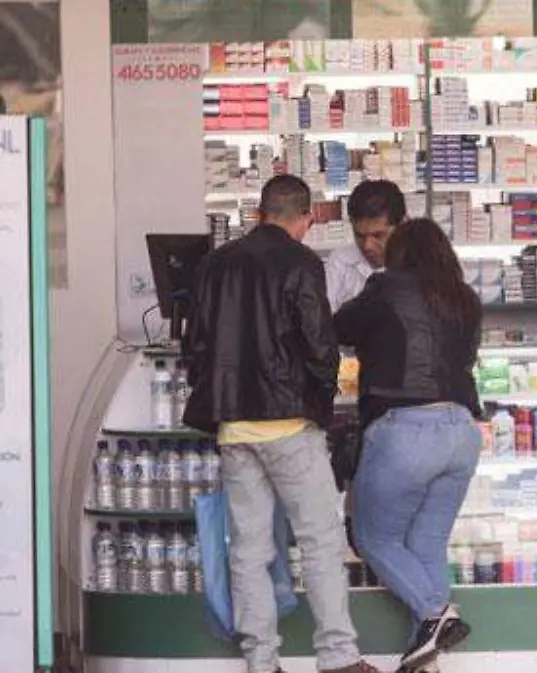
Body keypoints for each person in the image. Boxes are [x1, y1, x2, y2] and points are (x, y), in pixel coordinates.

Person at [183, 175, 377, 673]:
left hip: (235, 428)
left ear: (259, 213)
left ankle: (261, 660)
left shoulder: (215, 264)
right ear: (306, 218)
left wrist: (220, 402)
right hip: (290, 426)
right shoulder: (302, 262)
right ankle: (338, 656)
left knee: (249, 550)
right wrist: (319, 402)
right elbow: (320, 344)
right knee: (320, 541)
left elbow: (195, 344)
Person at [333, 217, 484, 673]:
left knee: (373, 537)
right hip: (462, 431)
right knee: (427, 542)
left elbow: (338, 328)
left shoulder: (385, 288)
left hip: (407, 430)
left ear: (399, 254)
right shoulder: (465, 298)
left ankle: (437, 615)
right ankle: (426, 663)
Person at [326, 179, 407, 312]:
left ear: (402, 226)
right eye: (360, 236)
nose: (367, 246)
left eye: (378, 235)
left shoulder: (422, 265)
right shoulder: (340, 262)